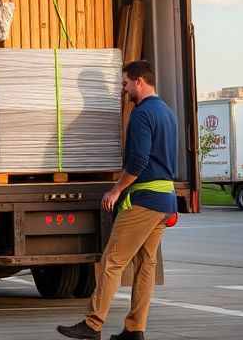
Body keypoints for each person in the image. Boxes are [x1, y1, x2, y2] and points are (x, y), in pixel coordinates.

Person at [57, 60, 178, 340]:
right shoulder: (167, 112)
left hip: (144, 199)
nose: (124, 90)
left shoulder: (142, 113)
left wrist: (115, 190)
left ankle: (93, 324)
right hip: (164, 200)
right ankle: (135, 330)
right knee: (146, 264)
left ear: (138, 81)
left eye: (125, 83)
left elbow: (138, 160)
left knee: (112, 261)